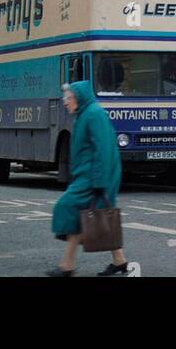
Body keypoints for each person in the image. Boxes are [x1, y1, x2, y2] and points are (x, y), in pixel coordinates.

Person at [47, 80, 131, 277]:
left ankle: (66, 266)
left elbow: (103, 150)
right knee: (90, 215)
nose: (65, 102)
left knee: (68, 207)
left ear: (79, 98)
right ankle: (118, 262)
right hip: (88, 175)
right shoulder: (84, 114)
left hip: (95, 176)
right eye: (64, 98)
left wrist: (99, 183)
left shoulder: (93, 114)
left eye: (68, 98)